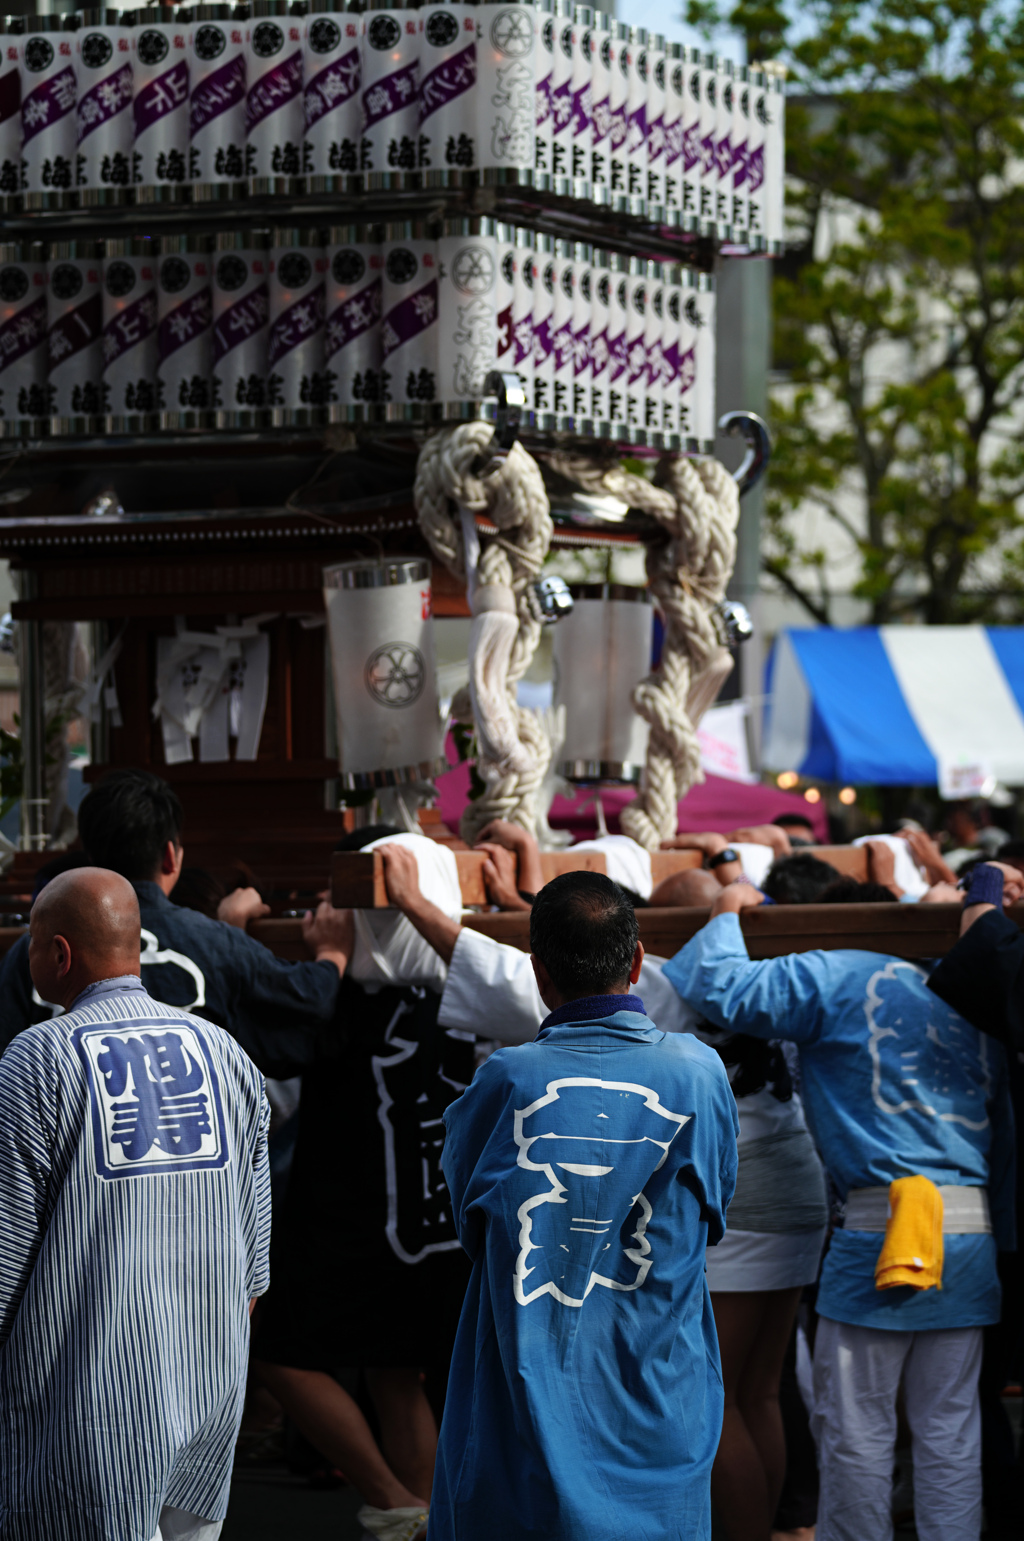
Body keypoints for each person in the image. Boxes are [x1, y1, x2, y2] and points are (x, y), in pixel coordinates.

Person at [663, 878, 1015, 1541]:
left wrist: (727, 907)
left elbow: (717, 982)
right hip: (970, 1235)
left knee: (857, 1428)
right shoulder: (967, 981)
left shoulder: (833, 967)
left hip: (880, 1230)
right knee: (950, 1428)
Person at [428, 871, 739, 1541]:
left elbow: (468, 1220)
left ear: (539, 973)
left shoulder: (507, 1077)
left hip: (530, 1384)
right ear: (636, 960)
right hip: (659, 1385)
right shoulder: (698, 1071)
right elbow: (716, 1207)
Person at [0, 867, 272, 1541]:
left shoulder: (37, 1059)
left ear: (57, 953)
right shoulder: (226, 1053)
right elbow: (254, 1269)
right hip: (209, 1400)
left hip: (84, 1416)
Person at [251, 829, 475, 1541]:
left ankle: (393, 1502)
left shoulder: (336, 1000)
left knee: (279, 1348)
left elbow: (266, 1078)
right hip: (430, 1228)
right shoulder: (467, 1001)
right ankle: (425, 1521)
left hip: (350, 1221)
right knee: (394, 1375)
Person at [0, 769, 352, 1077]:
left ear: (91, 857)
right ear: (171, 856)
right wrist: (333, 954)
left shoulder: (36, 947)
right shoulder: (214, 941)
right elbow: (307, 999)